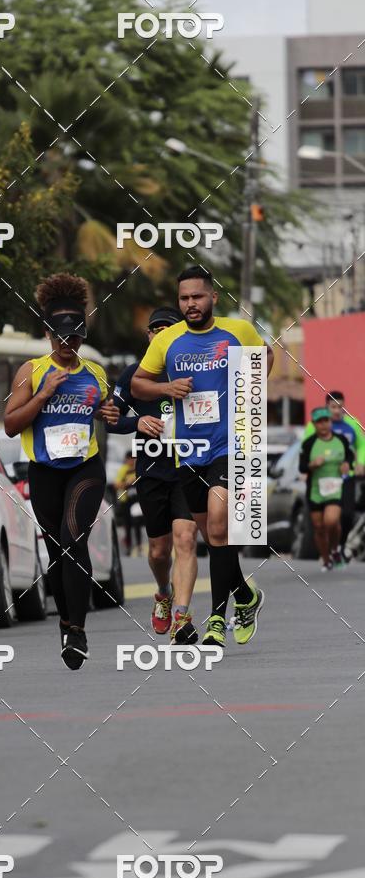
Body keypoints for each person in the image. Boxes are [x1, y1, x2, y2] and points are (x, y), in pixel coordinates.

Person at [131, 266, 274, 649]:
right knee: (214, 535)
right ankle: (245, 595)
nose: (191, 304)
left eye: (197, 296)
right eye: (184, 299)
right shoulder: (167, 340)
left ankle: (215, 620)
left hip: (230, 445)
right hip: (188, 451)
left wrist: (246, 394)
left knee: (218, 520)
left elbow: (266, 359)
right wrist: (167, 386)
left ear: (213, 297)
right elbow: (137, 383)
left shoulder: (237, 331)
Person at [4, 273, 119, 669]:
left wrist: (114, 415)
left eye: (75, 337)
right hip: (44, 473)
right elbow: (10, 423)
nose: (68, 345)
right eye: (60, 337)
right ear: (48, 334)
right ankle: (67, 625)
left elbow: (113, 415)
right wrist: (44, 394)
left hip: (85, 469)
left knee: (74, 537)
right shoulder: (31, 371)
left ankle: (79, 632)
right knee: (56, 552)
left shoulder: (95, 374)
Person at [107, 306, 198, 644]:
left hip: (188, 468)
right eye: (153, 329)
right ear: (148, 336)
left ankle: (182, 618)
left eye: (167, 329)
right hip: (151, 471)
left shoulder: (192, 370)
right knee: (159, 551)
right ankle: (164, 594)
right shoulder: (134, 374)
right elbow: (110, 418)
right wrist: (137, 422)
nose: (159, 334)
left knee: (186, 540)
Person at [302, 390, 365, 559]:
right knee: (323, 520)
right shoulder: (314, 425)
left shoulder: (352, 424)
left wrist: (361, 463)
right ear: (326, 407)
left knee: (347, 515)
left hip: (346, 477)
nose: (337, 411)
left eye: (340, 407)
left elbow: (362, 445)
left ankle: (340, 545)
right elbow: (306, 448)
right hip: (321, 479)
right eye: (333, 407)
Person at [299, 406, 353, 571]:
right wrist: (312, 465)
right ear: (314, 424)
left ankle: (335, 549)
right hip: (315, 489)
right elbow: (302, 467)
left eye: (326, 421)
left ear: (330, 422)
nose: (323, 425)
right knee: (319, 527)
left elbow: (349, 456)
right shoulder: (309, 444)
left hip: (335, 487)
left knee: (331, 521)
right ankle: (326, 559)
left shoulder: (341, 440)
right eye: (319, 422)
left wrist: (347, 464)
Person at [114, 451, 144, 557]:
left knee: (137, 522)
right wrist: (127, 483)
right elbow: (116, 484)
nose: (131, 461)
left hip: (136, 500)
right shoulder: (123, 470)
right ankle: (128, 545)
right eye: (129, 459)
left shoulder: (138, 468)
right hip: (126, 500)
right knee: (127, 524)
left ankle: (139, 546)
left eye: (133, 459)